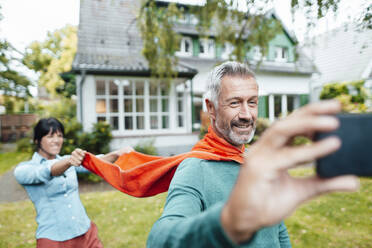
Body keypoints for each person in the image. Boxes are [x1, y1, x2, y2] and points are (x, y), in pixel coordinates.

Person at [146, 61, 359, 247]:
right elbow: (159, 239)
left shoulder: (257, 164)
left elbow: (277, 233)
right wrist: (229, 223)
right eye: (235, 102)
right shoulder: (195, 168)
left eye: (252, 102)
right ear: (211, 108)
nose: (247, 115)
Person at [14, 117, 133, 248]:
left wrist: (117, 154)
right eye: (50, 136)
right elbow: (47, 171)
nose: (56, 140)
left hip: (85, 232)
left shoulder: (67, 160)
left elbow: (95, 162)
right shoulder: (24, 170)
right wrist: (69, 162)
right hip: (54, 239)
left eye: (59, 136)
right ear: (37, 140)